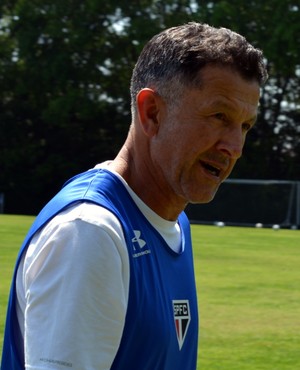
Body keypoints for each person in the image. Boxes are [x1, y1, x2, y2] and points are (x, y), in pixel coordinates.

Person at [1, 22, 268, 370]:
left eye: (245, 126)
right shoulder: (91, 233)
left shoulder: (174, 223)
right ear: (152, 113)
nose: (234, 147)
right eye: (219, 116)